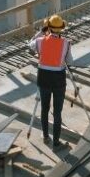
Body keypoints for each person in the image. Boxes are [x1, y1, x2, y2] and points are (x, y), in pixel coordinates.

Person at [28, 15, 73, 147]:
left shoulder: (40, 41)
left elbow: (29, 45)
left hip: (44, 78)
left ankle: (46, 137)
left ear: (48, 27)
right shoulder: (66, 43)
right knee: (57, 112)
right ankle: (56, 142)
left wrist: (41, 32)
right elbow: (70, 62)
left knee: (44, 109)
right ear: (61, 29)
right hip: (58, 80)